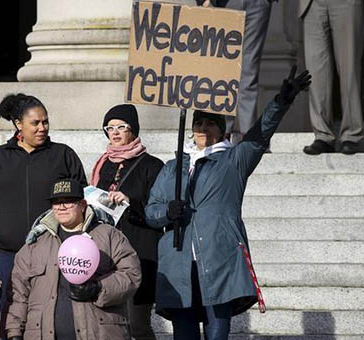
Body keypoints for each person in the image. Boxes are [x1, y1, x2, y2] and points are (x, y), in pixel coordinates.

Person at [144, 66, 311, 340]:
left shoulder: (233, 161)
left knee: (217, 331)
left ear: (221, 130)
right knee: (184, 333)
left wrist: (281, 102)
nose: (202, 128)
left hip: (219, 258)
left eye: (210, 123)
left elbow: (259, 135)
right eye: (198, 122)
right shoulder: (174, 166)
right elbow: (151, 212)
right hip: (179, 261)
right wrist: (167, 212)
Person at [0, 93, 87, 339]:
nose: (42, 127)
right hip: (7, 254)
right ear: (18, 124)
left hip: (53, 252)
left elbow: (82, 198)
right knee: (11, 315)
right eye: (35, 123)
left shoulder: (63, 155)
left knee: (51, 315)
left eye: (45, 121)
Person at [6, 178, 141, 340]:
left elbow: (131, 274)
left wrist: (98, 288)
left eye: (68, 201)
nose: (62, 207)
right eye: (56, 202)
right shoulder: (34, 244)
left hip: (100, 334)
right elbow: (19, 294)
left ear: (83, 205)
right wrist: (14, 332)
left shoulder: (109, 235)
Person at [90, 104, 164, 340]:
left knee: (137, 324)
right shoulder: (103, 165)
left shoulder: (152, 165)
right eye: (110, 128)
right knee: (109, 324)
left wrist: (131, 203)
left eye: (122, 126)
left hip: (140, 251)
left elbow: (159, 210)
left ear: (134, 129)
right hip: (107, 253)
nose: (115, 132)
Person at [198, 0, 277, 143]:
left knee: (249, 70)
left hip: (257, 5)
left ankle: (249, 136)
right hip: (224, 4)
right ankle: (223, 132)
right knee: (224, 69)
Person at [299, 0, 363, 155]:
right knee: (315, 72)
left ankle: (353, 135)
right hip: (312, 4)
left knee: (349, 69)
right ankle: (322, 135)